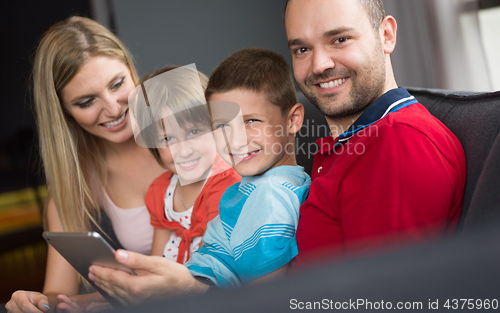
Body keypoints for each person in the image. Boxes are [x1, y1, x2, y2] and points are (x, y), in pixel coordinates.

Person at [88, 48, 310, 301]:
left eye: (251, 121)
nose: (235, 139)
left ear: (292, 120)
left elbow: (265, 300)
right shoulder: (254, 188)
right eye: (224, 125)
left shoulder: (269, 196)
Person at [283, 0, 466, 266]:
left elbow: (383, 298)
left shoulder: (398, 142)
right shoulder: (352, 142)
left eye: (339, 39)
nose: (318, 65)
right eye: (302, 49)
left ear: (386, 36)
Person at [6, 16, 164, 313]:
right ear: (63, 111)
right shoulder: (75, 189)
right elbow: (58, 294)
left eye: (117, 84)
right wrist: (34, 302)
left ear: (132, 71)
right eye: (86, 101)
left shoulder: (189, 129)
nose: (113, 109)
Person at [131, 65, 240, 263]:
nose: (184, 151)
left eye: (194, 132)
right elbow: (156, 261)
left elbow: (212, 262)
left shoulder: (224, 185)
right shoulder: (161, 190)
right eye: (168, 139)